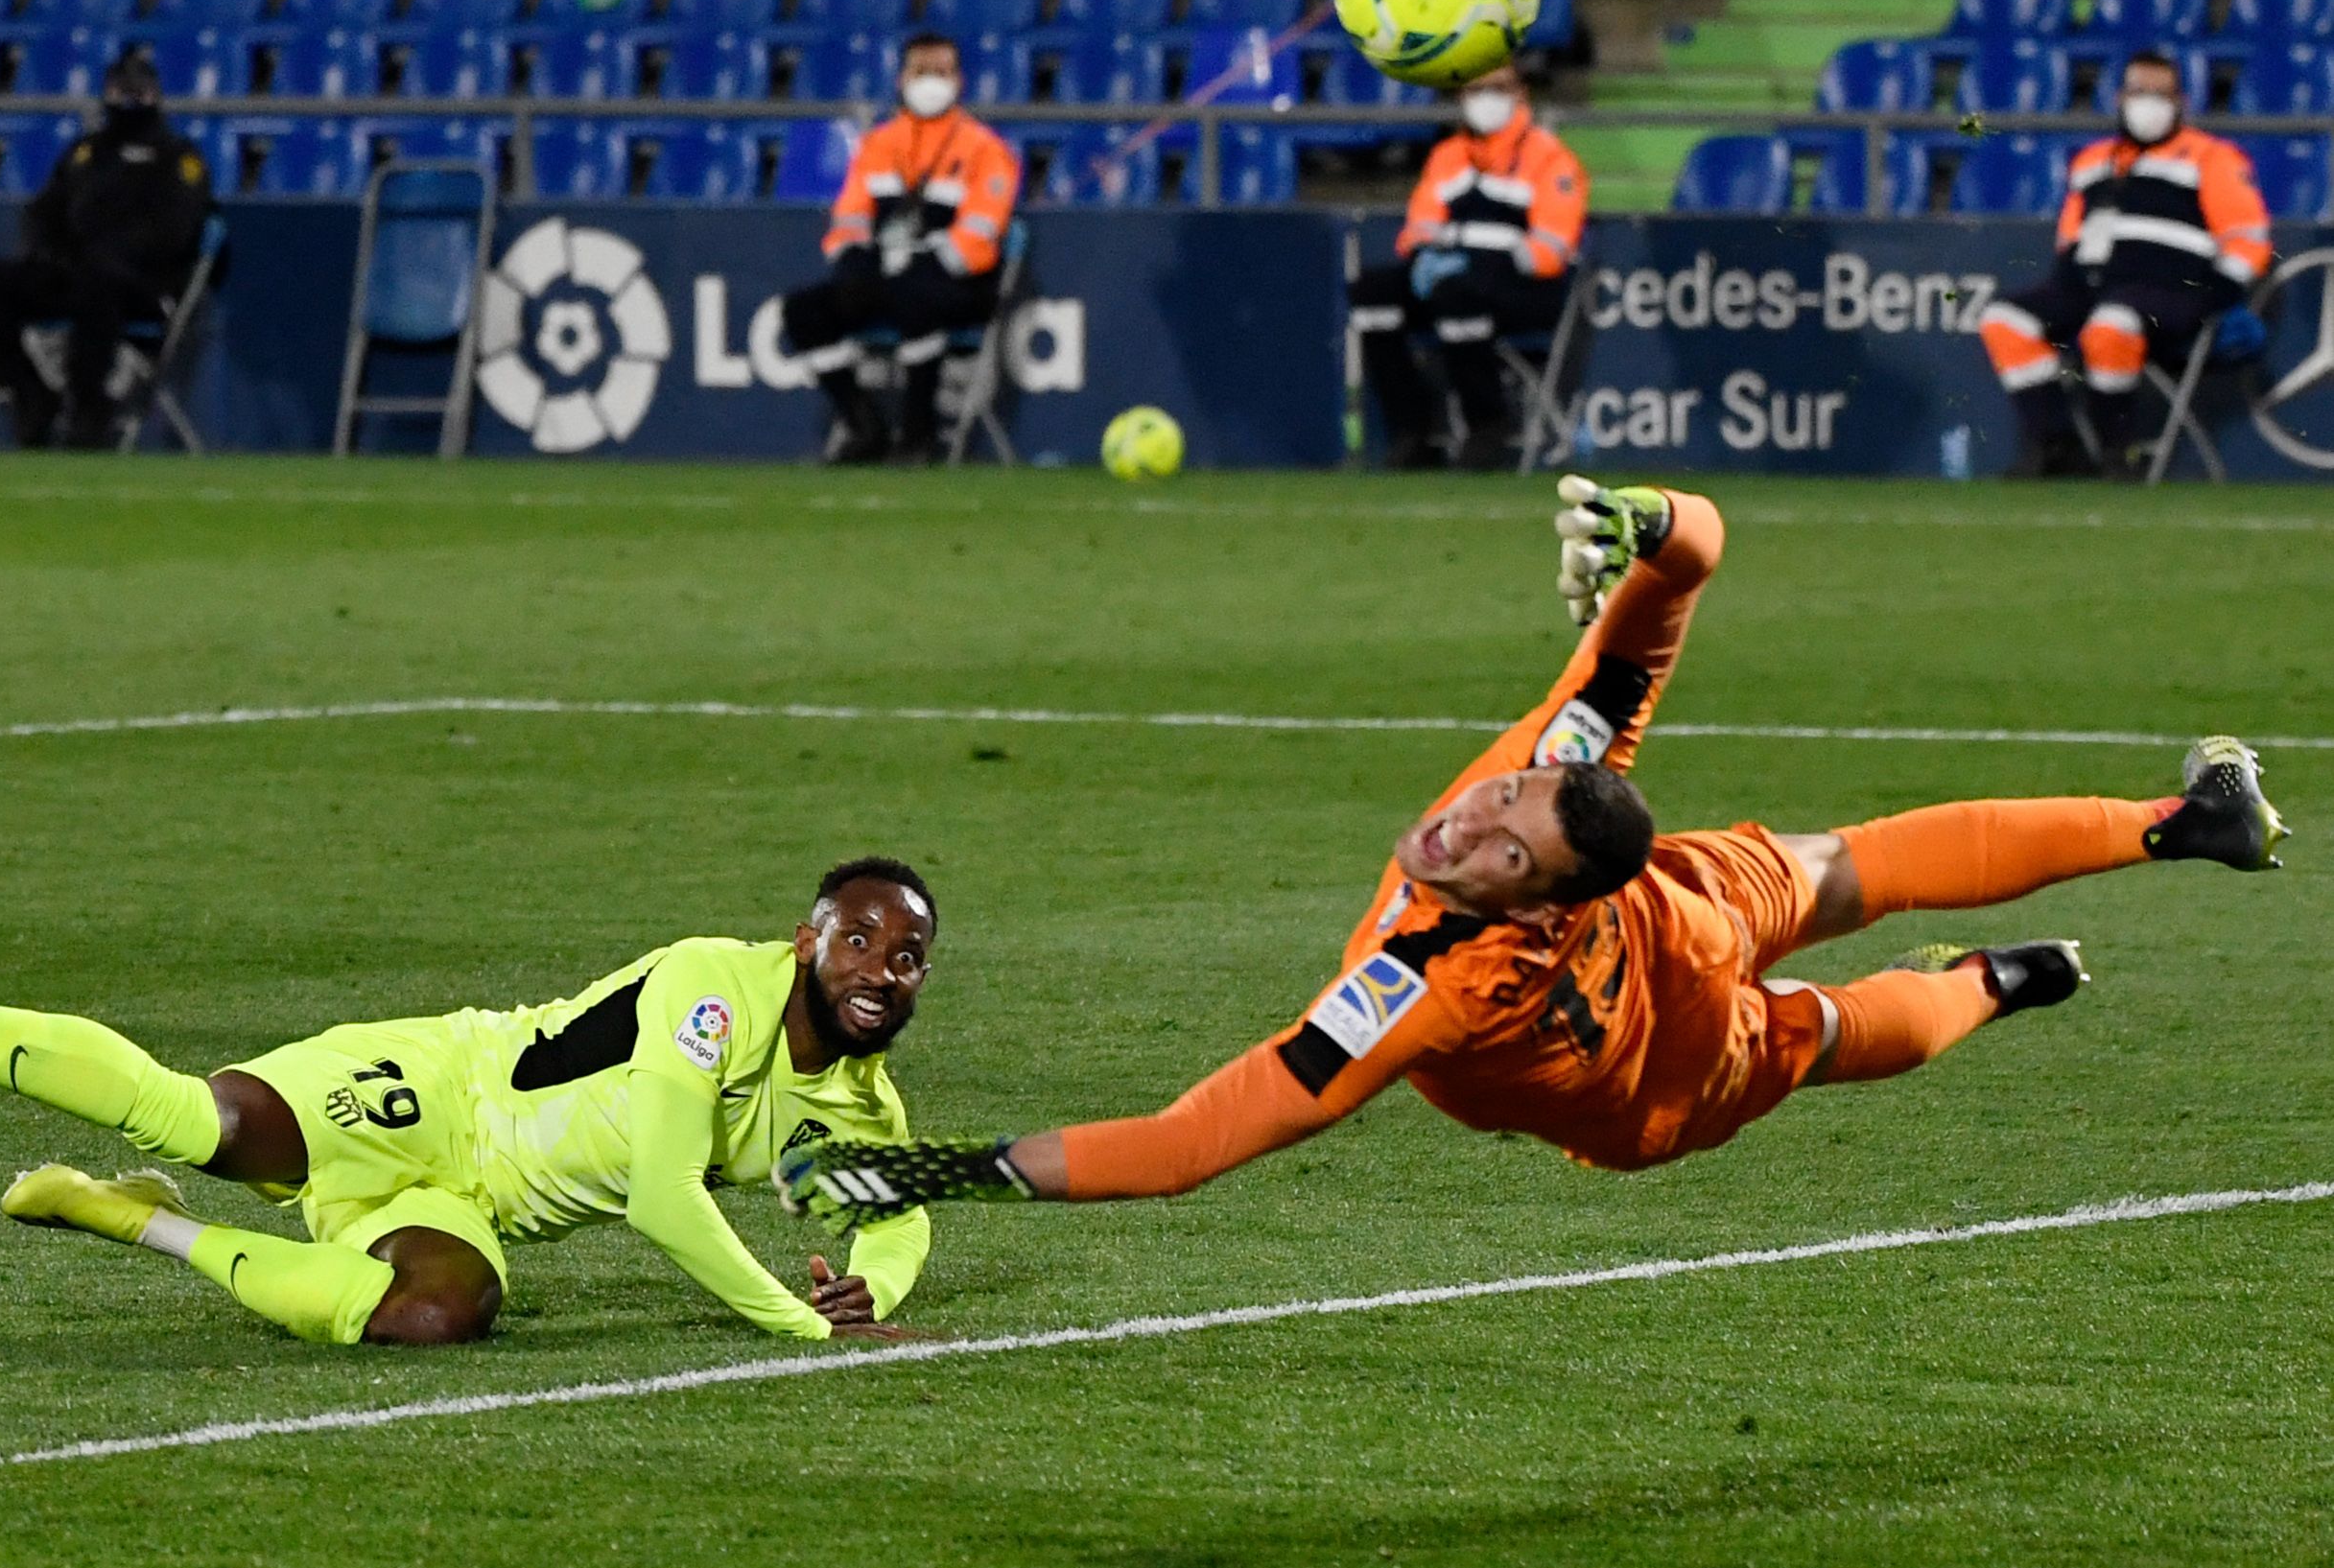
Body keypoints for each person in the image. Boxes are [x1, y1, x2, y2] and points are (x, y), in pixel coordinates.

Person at [780, 480, 2289, 1231]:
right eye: (1498, 808)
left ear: (1533, 892)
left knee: (1820, 1029)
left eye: (1497, 842)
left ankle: (1991, 985)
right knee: (1847, 868)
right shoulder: (1561, 785)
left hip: (1653, 1063)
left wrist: (937, 1172)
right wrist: (1642, 523)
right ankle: (2178, 827)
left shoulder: (1416, 985)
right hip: (1671, 905)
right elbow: (1695, 555)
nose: (1467, 818)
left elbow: (1194, 1140)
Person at [0, 858, 945, 1349]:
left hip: (473, 1200)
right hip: (446, 1087)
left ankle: (132, 1219)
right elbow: (659, 1192)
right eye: (859, 940)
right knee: (205, 1124)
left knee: (434, 1318)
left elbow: (904, 1210)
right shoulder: (714, 988)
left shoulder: (857, 1103)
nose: (876, 970)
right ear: (809, 940)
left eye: (905, 959)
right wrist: (800, 1324)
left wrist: (869, 1282)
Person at [1976, 53, 2272, 480]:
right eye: (2138, 92)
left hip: (2171, 289)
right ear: (2120, 98)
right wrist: (2070, 279)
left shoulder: (2211, 157)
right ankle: (2058, 446)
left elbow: (2248, 236)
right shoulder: (2092, 161)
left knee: (2111, 324)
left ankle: (2118, 451)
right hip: (2091, 286)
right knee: (2004, 319)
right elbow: (2071, 237)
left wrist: (2217, 293)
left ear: (2180, 101)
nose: (2148, 102)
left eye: (2160, 93)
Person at [775, 35, 1021, 463]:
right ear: (902, 78)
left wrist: (921, 263)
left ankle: (918, 435)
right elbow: (849, 217)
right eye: (920, 72)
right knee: (803, 311)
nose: (930, 82)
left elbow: (980, 236)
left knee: (916, 298)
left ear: (958, 81)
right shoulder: (879, 145)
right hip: (887, 273)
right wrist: (856, 264)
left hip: (962, 284)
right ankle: (863, 426)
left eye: (940, 72)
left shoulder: (985, 149)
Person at [0, 46, 217, 449]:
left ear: (156, 95)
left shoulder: (178, 159)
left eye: (138, 90)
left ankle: (90, 404)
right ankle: (28, 391)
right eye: (120, 89)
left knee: (100, 280)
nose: (129, 99)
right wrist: (53, 254)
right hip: (76, 275)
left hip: (140, 287)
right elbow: (43, 214)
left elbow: (174, 232)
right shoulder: (86, 154)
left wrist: (109, 256)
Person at [1349, 63, 1589, 471]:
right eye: (1475, 91)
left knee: (1457, 296)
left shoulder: (1551, 158)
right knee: (1372, 292)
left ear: (1520, 94)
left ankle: (1487, 424)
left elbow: (1548, 251)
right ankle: (1411, 431)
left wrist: (1472, 255)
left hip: (1527, 287)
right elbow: (1417, 229)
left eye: (1497, 89)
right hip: (1451, 278)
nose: (1485, 100)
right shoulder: (1448, 156)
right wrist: (1430, 257)